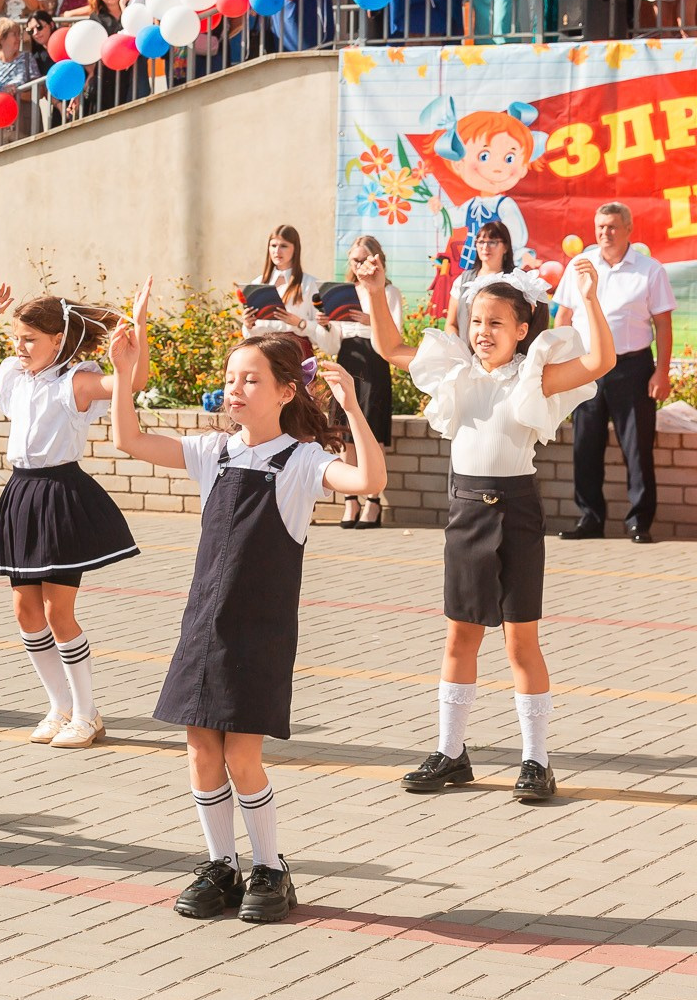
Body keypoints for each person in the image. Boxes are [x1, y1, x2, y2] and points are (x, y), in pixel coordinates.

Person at [109, 326, 383, 924]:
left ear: (286, 391)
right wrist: (125, 372)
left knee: (242, 756)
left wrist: (353, 410)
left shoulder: (302, 461)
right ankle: (220, 865)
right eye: (231, 378)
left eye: (251, 379)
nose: (235, 388)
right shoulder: (215, 451)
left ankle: (270, 868)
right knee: (200, 748)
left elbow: (369, 482)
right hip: (203, 625)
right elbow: (128, 438)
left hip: (260, 633)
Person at [362, 256, 611, 802]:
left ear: (522, 330)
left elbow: (600, 361)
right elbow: (389, 346)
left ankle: (536, 761)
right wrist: (376, 291)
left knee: (521, 641)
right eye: (476, 321)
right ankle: (451, 752)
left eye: (496, 322)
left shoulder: (535, 376)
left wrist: (590, 300)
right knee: (461, 635)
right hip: (466, 515)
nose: (482, 331)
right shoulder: (457, 373)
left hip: (517, 514)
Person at [0, 281, 141, 748]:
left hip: (61, 494)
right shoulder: (15, 376)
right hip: (20, 493)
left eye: (30, 339)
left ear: (58, 340)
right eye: (16, 338)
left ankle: (87, 714)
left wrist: (135, 339)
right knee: (25, 610)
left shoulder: (75, 381)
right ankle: (59, 706)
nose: (19, 347)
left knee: (57, 611)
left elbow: (130, 383)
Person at [555, 202, 677, 543]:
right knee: (585, 445)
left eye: (611, 226)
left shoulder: (650, 270)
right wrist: (561, 366)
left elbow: (663, 325)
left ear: (628, 229)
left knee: (637, 447)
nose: (604, 232)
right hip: (587, 367)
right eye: (600, 226)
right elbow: (563, 317)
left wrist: (661, 372)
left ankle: (639, 522)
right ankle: (590, 519)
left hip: (632, 368)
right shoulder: (580, 266)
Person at [322, 238, 402, 529]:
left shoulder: (388, 291)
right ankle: (350, 501)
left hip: (374, 361)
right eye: (354, 260)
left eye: (363, 260)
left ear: (376, 259)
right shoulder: (344, 292)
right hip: (347, 358)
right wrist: (326, 324)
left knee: (371, 432)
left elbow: (396, 333)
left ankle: (373, 502)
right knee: (345, 434)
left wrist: (371, 320)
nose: (358, 266)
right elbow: (333, 344)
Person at [241, 225, 330, 359]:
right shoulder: (257, 283)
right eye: (273, 245)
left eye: (283, 246)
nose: (277, 251)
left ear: (295, 249)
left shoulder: (310, 284)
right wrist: (248, 324)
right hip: (264, 352)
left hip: (295, 351)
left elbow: (322, 327)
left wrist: (300, 323)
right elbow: (251, 333)